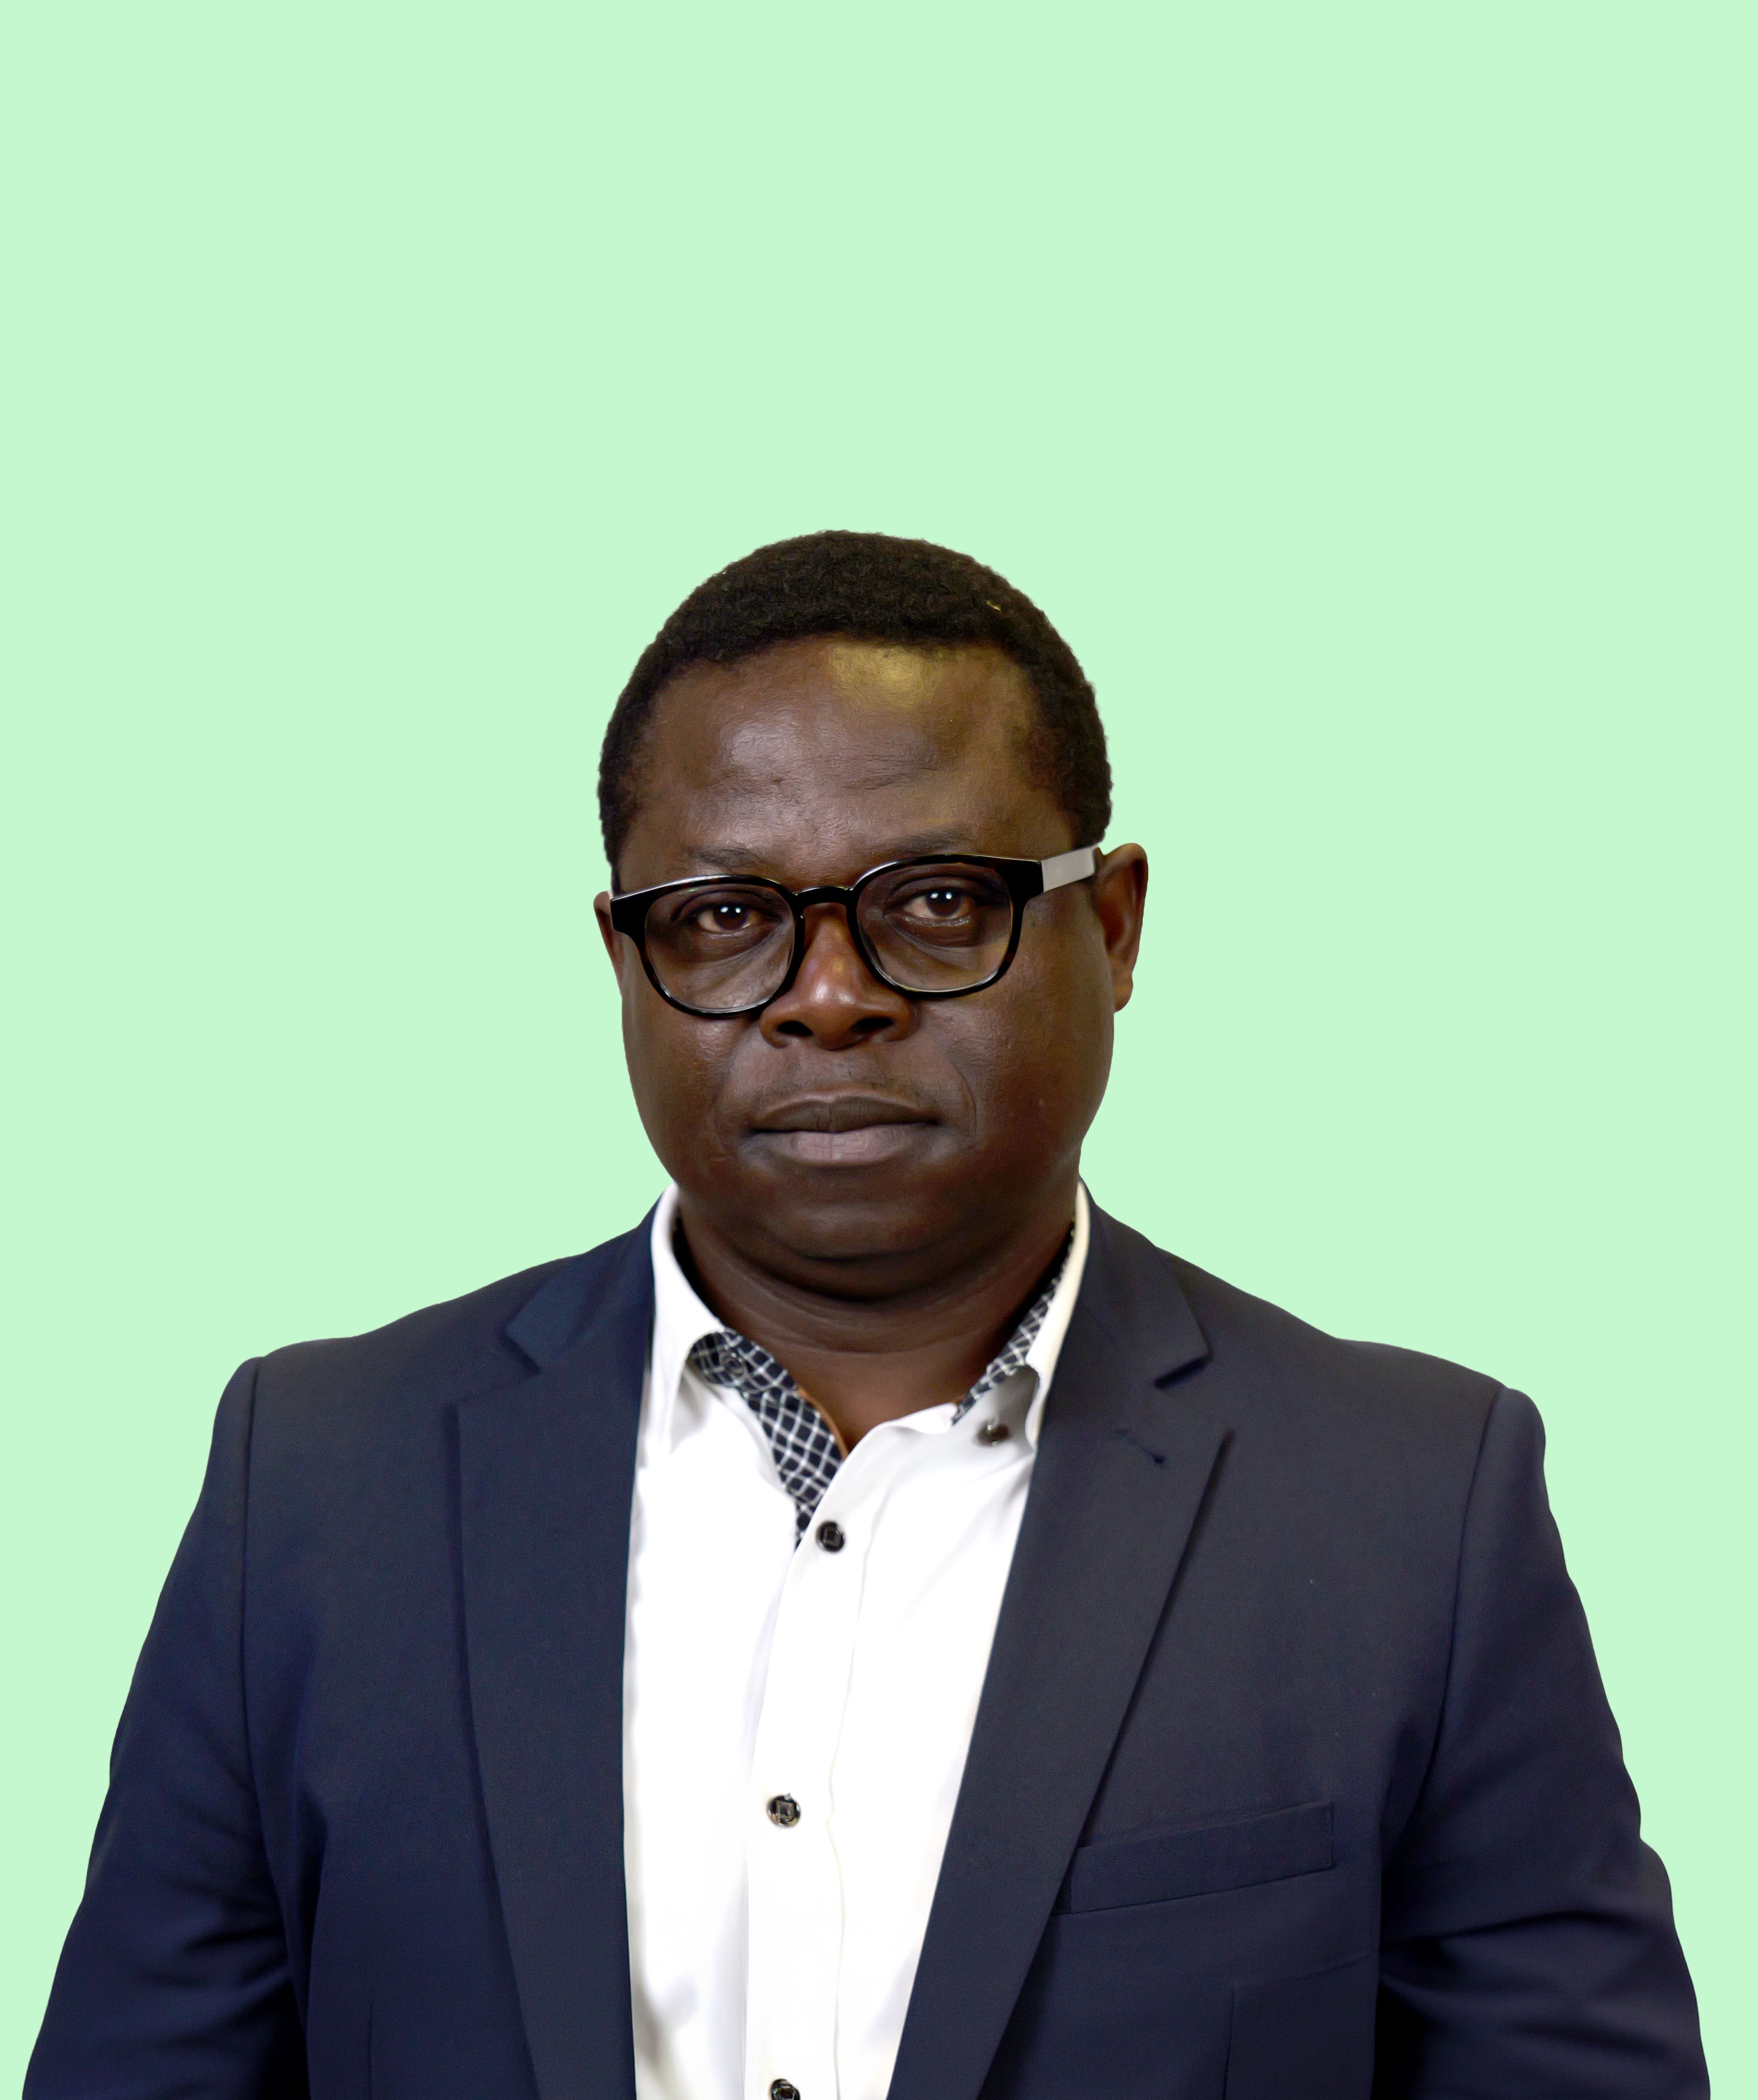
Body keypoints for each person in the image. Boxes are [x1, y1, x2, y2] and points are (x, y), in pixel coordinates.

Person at [29, 531, 1706, 2100]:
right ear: (623, 958)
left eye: (939, 899)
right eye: (726, 918)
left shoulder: (1414, 1506)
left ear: (1113, 925)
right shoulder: (317, 1481)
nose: (829, 996)